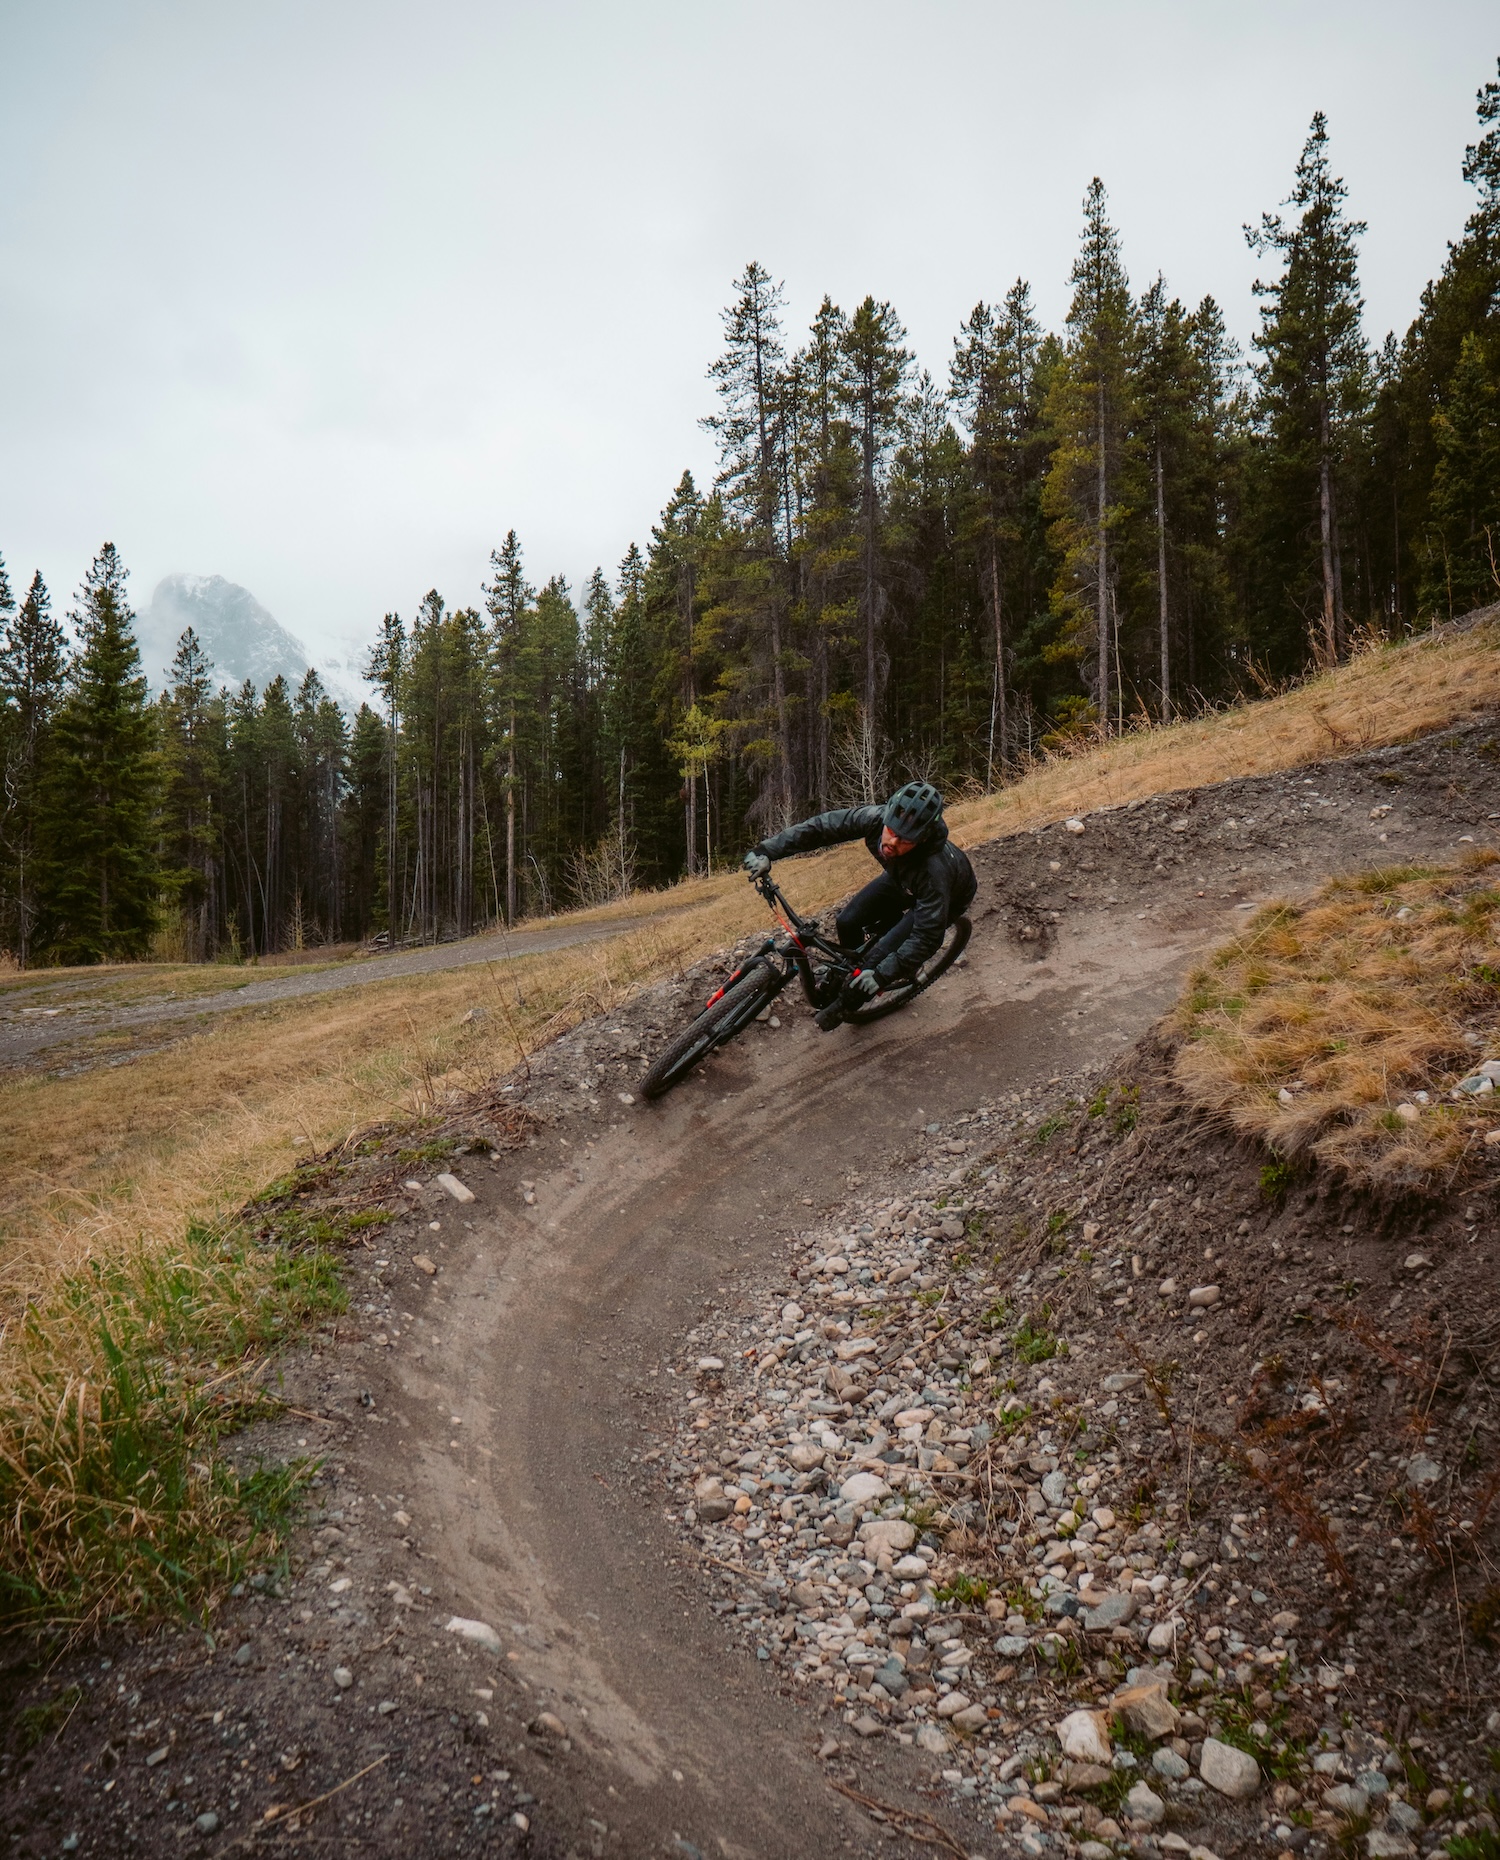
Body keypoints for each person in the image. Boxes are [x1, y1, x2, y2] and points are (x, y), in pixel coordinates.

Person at [741, 781, 976, 1029]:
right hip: (902, 878)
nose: (892, 843)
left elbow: (928, 936)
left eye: (905, 840)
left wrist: (880, 975)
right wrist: (767, 851)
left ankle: (850, 1002)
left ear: (923, 839)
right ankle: (851, 972)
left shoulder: (933, 872)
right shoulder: (875, 819)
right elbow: (822, 828)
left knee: (875, 963)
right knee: (847, 921)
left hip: (948, 897)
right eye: (892, 831)